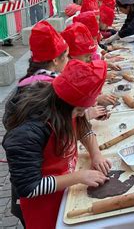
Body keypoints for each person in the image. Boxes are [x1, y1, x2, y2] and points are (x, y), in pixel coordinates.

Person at [2, 59, 110, 229]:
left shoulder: (65, 107)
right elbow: (29, 186)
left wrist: (96, 154)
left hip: (66, 190)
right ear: (64, 105)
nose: (82, 114)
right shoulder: (29, 132)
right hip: (42, 204)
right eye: (80, 110)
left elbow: (83, 127)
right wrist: (78, 177)